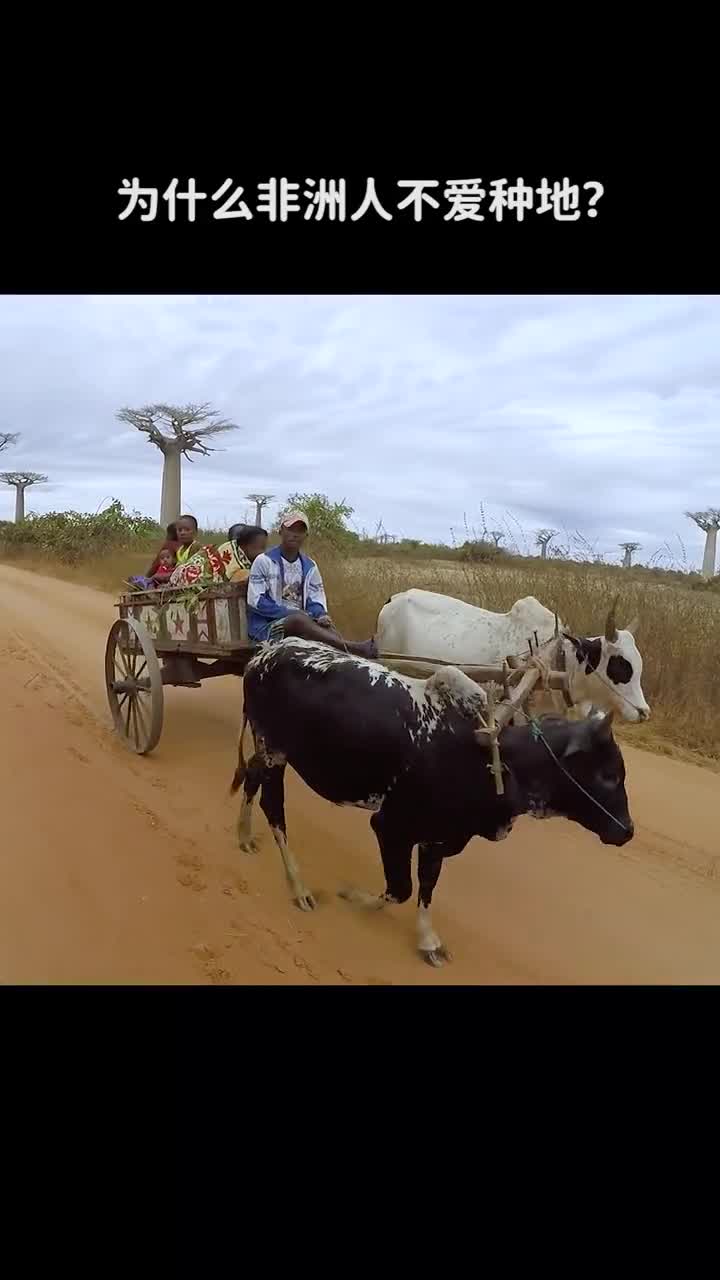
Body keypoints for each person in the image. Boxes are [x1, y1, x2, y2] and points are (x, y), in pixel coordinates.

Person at [246, 510, 377, 658]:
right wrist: (292, 613)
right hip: (267, 627)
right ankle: (356, 649)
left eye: (300, 531)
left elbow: (316, 598)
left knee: (329, 630)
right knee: (298, 620)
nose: (294, 534)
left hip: (303, 622)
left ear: (306, 536)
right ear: (281, 530)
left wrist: (320, 614)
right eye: (290, 529)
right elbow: (255, 601)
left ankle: (350, 657)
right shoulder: (264, 561)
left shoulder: (310, 566)